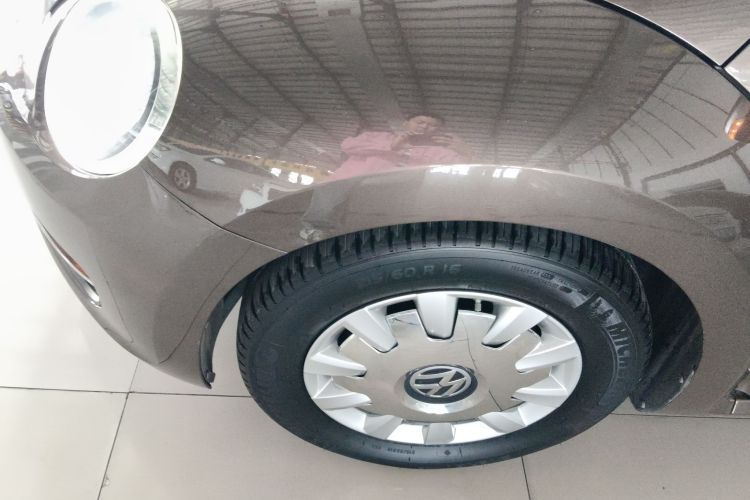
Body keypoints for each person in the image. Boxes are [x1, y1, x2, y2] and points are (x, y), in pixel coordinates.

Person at [330, 113, 472, 180]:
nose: (425, 126)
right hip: (345, 186)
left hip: (395, 199)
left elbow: (464, 173)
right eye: (420, 122)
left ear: (438, 131)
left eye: (432, 125)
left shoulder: (440, 153)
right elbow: (347, 146)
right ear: (405, 124)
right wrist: (390, 146)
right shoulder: (377, 137)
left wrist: (466, 152)